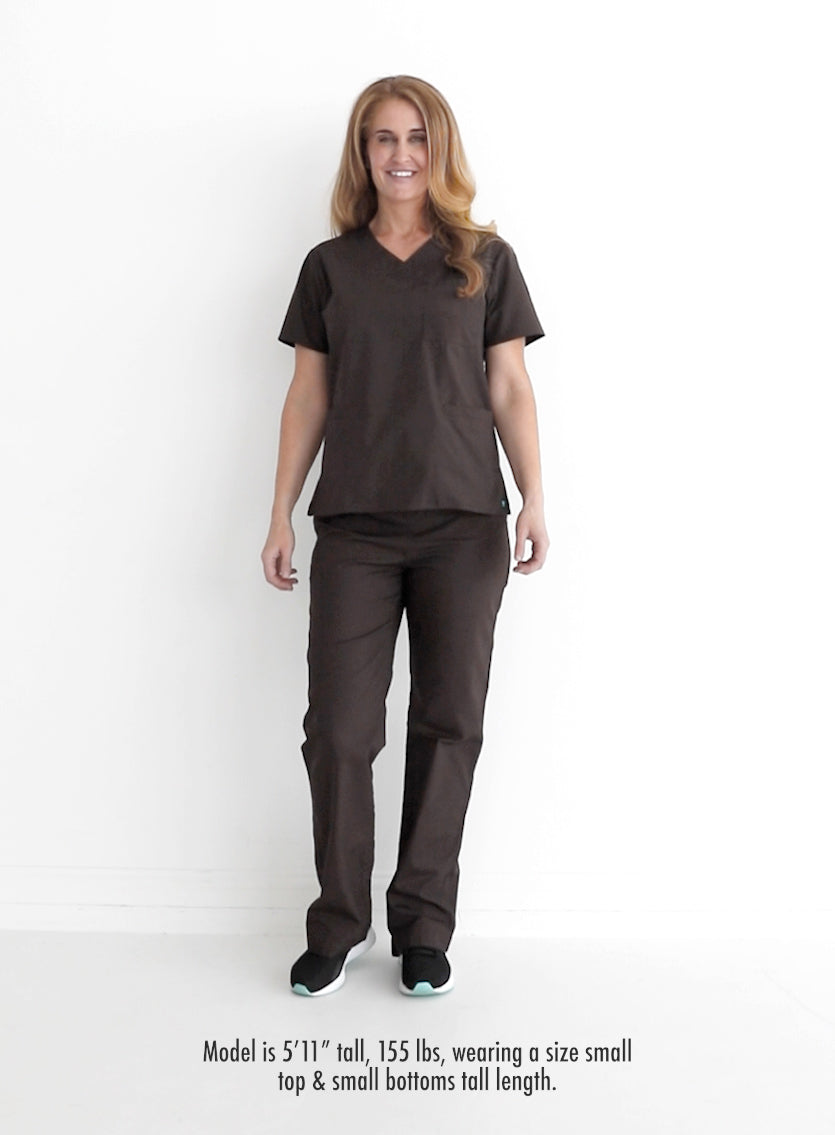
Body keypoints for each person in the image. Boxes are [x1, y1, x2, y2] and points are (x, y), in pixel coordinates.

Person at [261, 75, 548, 997]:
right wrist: (280, 510)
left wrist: (534, 495)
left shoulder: (485, 260)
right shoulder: (329, 267)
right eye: (382, 138)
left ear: (439, 148)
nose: (400, 155)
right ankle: (338, 922)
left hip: (464, 524)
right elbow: (308, 394)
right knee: (339, 730)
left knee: (448, 723)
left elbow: (508, 385)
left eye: (416, 137)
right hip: (355, 527)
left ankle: (424, 926)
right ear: (363, 153)